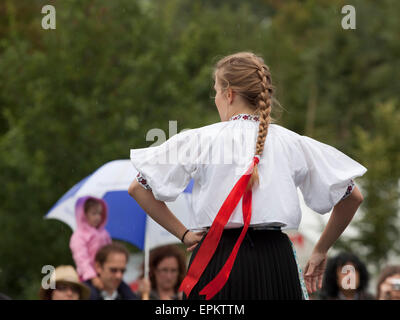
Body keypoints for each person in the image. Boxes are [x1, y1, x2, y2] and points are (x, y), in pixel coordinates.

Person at [128, 51, 367, 300]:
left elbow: (138, 188)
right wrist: (320, 250)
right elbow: (352, 197)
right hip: (275, 261)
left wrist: (184, 234)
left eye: (216, 92)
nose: (216, 99)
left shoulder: (197, 140)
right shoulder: (294, 143)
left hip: (216, 255)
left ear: (228, 94)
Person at [69, 196, 112, 290]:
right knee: (92, 295)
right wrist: (93, 278)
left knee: (126, 292)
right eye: (94, 213)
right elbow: (81, 259)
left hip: (106, 273)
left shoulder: (104, 233)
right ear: (83, 215)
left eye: (100, 213)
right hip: (87, 277)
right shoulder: (79, 236)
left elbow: (111, 252)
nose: (98, 217)